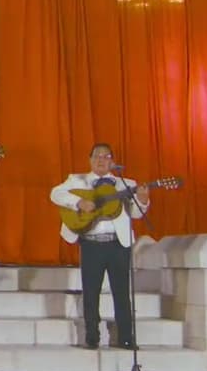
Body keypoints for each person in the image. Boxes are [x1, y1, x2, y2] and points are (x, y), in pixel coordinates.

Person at [49, 143, 150, 350]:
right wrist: (79, 203)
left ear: (112, 161)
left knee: (121, 292)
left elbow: (137, 214)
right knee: (91, 291)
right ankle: (92, 336)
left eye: (106, 156)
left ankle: (125, 337)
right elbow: (55, 194)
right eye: (97, 156)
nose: (101, 160)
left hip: (118, 244)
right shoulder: (76, 180)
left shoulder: (125, 184)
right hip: (92, 244)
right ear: (90, 159)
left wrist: (143, 200)